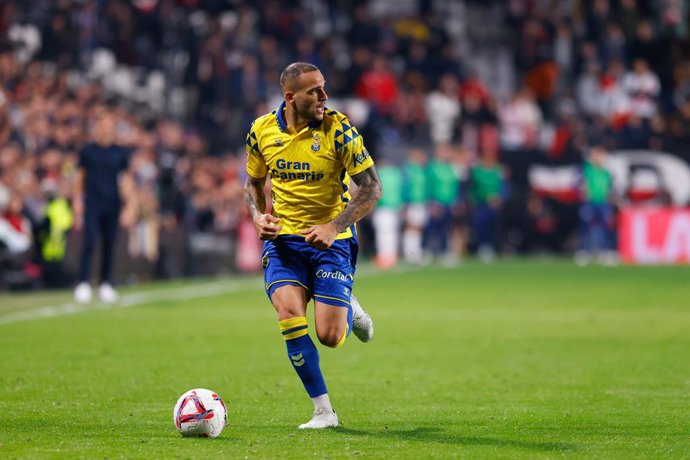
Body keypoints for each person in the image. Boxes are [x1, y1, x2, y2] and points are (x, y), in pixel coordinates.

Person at [243, 62, 382, 429]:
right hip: (284, 242)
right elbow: (253, 185)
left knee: (331, 337)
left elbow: (371, 188)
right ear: (290, 97)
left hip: (330, 242)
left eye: (323, 88)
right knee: (289, 315)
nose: (324, 96)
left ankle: (347, 302)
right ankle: (324, 411)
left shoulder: (340, 130)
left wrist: (334, 226)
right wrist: (258, 216)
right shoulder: (261, 131)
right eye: (314, 91)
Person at [73, 108, 135, 303]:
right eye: (102, 124)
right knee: (90, 241)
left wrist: (130, 205)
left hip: (112, 202)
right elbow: (80, 178)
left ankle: (105, 283)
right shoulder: (87, 151)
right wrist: (76, 200)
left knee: (110, 243)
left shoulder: (120, 153)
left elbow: (125, 180)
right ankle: (83, 282)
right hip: (92, 202)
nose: (105, 128)